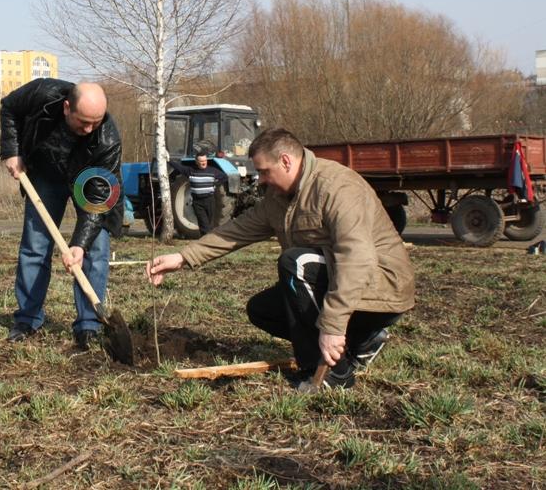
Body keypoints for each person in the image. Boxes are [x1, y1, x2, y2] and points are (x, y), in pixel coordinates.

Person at [147, 128, 415, 389]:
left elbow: (357, 259)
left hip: (379, 287)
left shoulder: (336, 187)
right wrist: (183, 257)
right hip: (340, 280)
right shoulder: (278, 197)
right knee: (263, 310)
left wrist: (333, 326)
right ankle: (362, 341)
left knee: (295, 263)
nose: (261, 179)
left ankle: (332, 375)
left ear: (286, 161)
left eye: (264, 171)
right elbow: (237, 230)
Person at [0, 78, 123, 350]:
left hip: (87, 182)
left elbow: (100, 197)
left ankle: (89, 325)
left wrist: (80, 243)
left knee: (95, 249)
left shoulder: (108, 138)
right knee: (35, 246)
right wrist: (11, 151)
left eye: (97, 121)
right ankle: (28, 319)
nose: (90, 128)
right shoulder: (42, 94)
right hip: (45, 173)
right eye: (83, 122)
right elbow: (9, 107)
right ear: (67, 107)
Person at [172, 150, 226, 236]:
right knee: (203, 224)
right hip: (198, 202)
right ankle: (206, 242)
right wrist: (168, 160)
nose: (204, 163)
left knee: (210, 224)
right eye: (201, 161)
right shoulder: (191, 171)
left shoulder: (213, 171)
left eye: (205, 161)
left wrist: (216, 185)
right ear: (197, 162)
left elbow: (224, 177)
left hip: (209, 200)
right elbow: (179, 167)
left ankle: (209, 241)